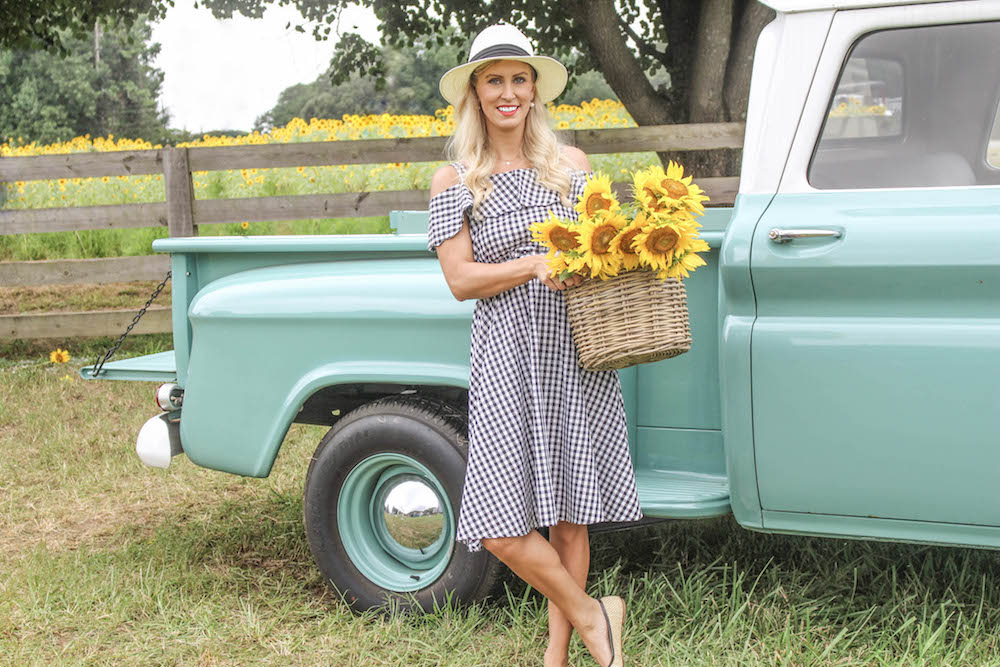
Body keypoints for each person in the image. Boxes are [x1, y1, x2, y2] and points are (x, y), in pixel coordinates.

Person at [426, 23, 643, 667]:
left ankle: (561, 658)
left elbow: (597, 252)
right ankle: (592, 613)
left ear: (534, 90)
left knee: (570, 512)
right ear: (475, 92)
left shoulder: (570, 167)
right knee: (498, 528)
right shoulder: (455, 179)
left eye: (519, 79)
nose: (509, 92)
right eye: (495, 80)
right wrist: (532, 265)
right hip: (503, 354)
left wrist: (608, 255)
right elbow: (461, 281)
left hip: (572, 346)